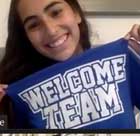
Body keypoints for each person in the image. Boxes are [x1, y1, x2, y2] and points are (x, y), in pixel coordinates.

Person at [0, 0, 140, 129]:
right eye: (34, 25)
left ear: (76, 13)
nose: (51, 30)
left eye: (55, 12)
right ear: (26, 36)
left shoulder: (120, 60)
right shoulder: (19, 91)